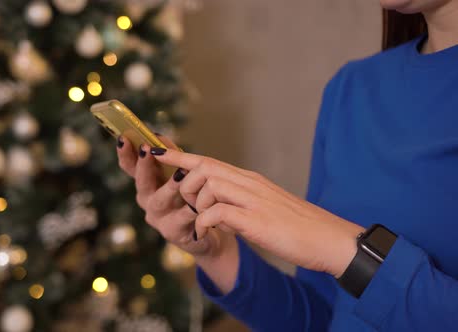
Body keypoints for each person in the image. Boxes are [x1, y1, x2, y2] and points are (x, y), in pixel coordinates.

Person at [116, 0, 458, 330]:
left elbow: (346, 259)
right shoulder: (351, 88)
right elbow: (325, 317)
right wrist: (218, 254)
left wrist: (350, 252)